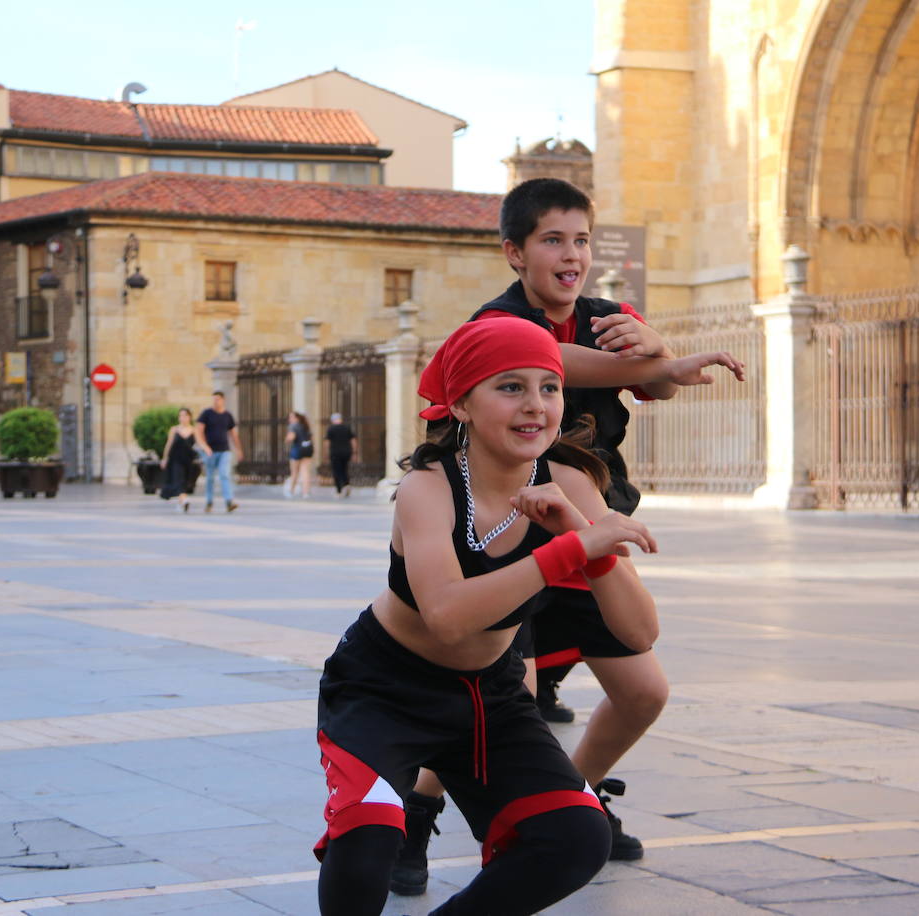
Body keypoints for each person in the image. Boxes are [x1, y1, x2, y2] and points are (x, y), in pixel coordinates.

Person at [393, 178, 747, 893]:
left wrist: (657, 351)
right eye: (552, 239)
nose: (571, 254)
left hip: (588, 518)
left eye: (581, 239)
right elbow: (561, 362)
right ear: (515, 254)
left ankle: (570, 799)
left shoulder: (610, 318)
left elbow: (658, 387)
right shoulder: (492, 324)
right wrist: (657, 359)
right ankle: (419, 811)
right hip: (509, 524)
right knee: (498, 694)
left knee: (644, 689)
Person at [315, 318, 658, 916]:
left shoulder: (571, 480)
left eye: (549, 388)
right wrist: (570, 552)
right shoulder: (429, 486)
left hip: (489, 698)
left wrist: (583, 534)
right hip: (384, 688)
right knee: (369, 838)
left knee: (576, 838)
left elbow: (639, 631)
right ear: (463, 405)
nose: (535, 406)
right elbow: (447, 616)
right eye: (510, 387)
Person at [194, 392, 242, 513]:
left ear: (223, 400)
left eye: (218, 399)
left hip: (224, 450)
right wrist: (204, 447)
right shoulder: (207, 414)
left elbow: (233, 434)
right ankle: (209, 501)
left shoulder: (227, 415)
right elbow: (198, 431)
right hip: (210, 451)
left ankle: (229, 501)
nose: (216, 402)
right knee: (210, 477)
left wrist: (239, 450)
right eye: (214, 399)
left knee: (224, 475)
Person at [160, 408, 198, 512]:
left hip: (188, 460)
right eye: (180, 415)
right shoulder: (174, 429)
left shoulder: (194, 430)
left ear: (189, 417)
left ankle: (181, 503)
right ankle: (184, 500)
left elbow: (200, 443)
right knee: (178, 479)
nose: (182, 418)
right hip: (175, 459)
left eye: (185, 415)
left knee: (185, 481)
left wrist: (207, 451)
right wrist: (164, 458)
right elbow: (168, 444)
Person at [324, 412, 358, 498]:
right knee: (344, 469)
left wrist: (326, 453)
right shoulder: (347, 428)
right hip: (346, 452)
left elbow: (327, 442)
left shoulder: (331, 429)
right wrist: (354, 452)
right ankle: (346, 484)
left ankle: (339, 490)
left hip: (335, 453)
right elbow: (353, 440)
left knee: (336, 471)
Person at [284, 411, 314, 498]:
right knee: (305, 472)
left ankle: (291, 491)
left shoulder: (293, 426)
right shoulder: (306, 426)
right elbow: (311, 438)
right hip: (308, 450)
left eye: (291, 417)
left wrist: (286, 440)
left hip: (297, 450)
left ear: (297, 418)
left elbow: (291, 437)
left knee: (294, 472)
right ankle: (306, 492)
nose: (290, 419)